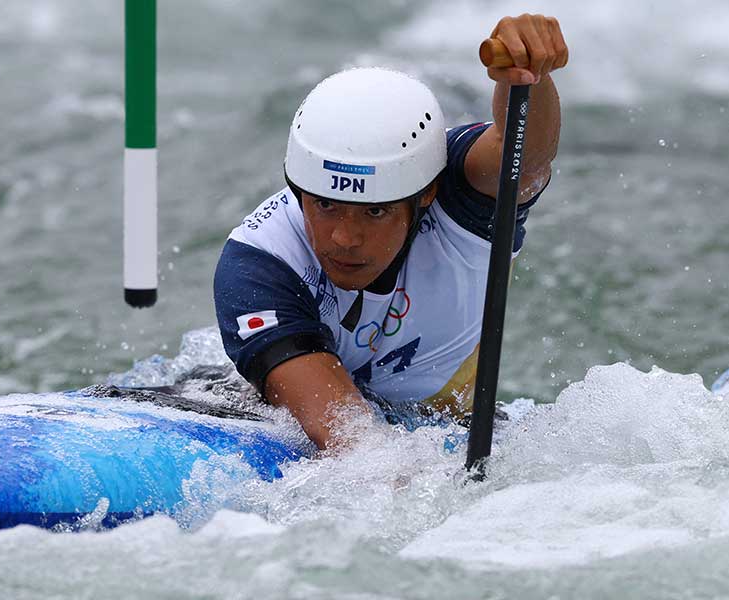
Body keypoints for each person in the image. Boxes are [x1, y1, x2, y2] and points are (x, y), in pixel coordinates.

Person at [214, 14, 567, 450]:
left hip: (454, 416)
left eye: (375, 211)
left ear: (425, 195)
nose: (344, 238)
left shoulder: (461, 200)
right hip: (257, 404)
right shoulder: (259, 264)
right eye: (325, 205)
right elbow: (355, 442)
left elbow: (525, 160)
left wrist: (527, 78)